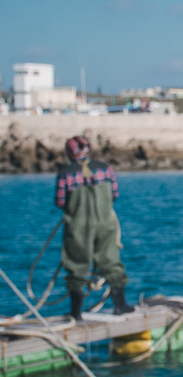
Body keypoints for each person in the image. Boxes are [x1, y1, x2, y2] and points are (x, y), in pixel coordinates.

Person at [56, 135, 134, 320]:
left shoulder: (65, 173)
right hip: (104, 223)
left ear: (69, 153)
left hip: (78, 226)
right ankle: (120, 305)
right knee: (111, 261)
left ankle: (76, 313)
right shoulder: (106, 169)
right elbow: (115, 194)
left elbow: (60, 201)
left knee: (77, 266)